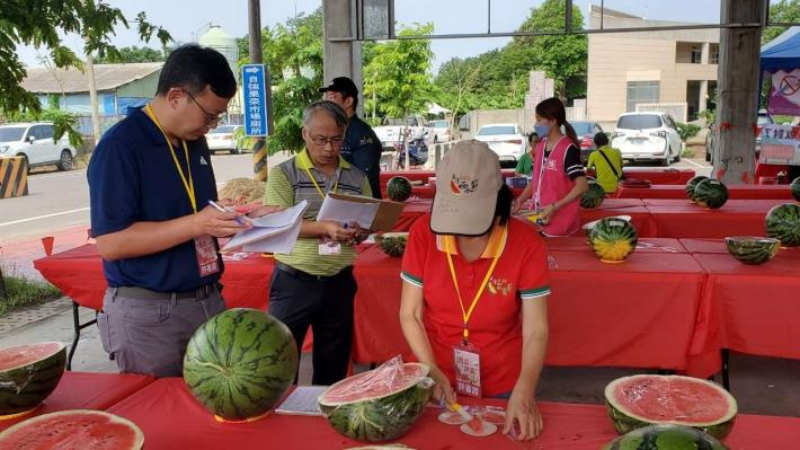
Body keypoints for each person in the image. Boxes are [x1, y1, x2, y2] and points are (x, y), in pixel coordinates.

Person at [87, 45, 279, 377]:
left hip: (206, 300)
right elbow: (111, 243)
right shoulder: (121, 147)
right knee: (160, 417)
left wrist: (239, 216)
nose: (213, 125)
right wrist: (197, 223)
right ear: (176, 96)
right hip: (150, 313)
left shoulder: (192, 141)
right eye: (209, 115)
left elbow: (196, 212)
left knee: (214, 413)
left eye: (219, 116)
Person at [399, 141, 551, 441]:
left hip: (502, 379)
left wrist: (525, 389)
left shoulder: (526, 244)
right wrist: (430, 368)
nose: (463, 233)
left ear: (499, 201)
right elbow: (410, 314)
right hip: (433, 372)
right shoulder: (422, 234)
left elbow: (536, 330)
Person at [262, 101, 372, 385]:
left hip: (339, 281)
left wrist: (358, 232)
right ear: (305, 134)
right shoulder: (284, 173)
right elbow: (278, 224)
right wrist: (325, 227)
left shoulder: (357, 177)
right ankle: (284, 421)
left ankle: (324, 420)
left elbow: (367, 222)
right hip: (294, 282)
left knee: (333, 367)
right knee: (281, 361)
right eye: (320, 139)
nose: (328, 148)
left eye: (336, 140)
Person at [514, 98, 589, 237]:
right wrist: (520, 200)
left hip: (560, 222)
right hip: (539, 218)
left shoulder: (568, 149)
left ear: (553, 121)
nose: (536, 125)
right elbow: (536, 180)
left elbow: (582, 186)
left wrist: (554, 207)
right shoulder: (540, 146)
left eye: (539, 120)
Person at [321, 77, 383, 199]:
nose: (326, 104)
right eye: (326, 98)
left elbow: (363, 177)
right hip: (337, 203)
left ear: (348, 101)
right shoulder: (330, 130)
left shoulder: (362, 133)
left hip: (361, 206)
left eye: (332, 98)